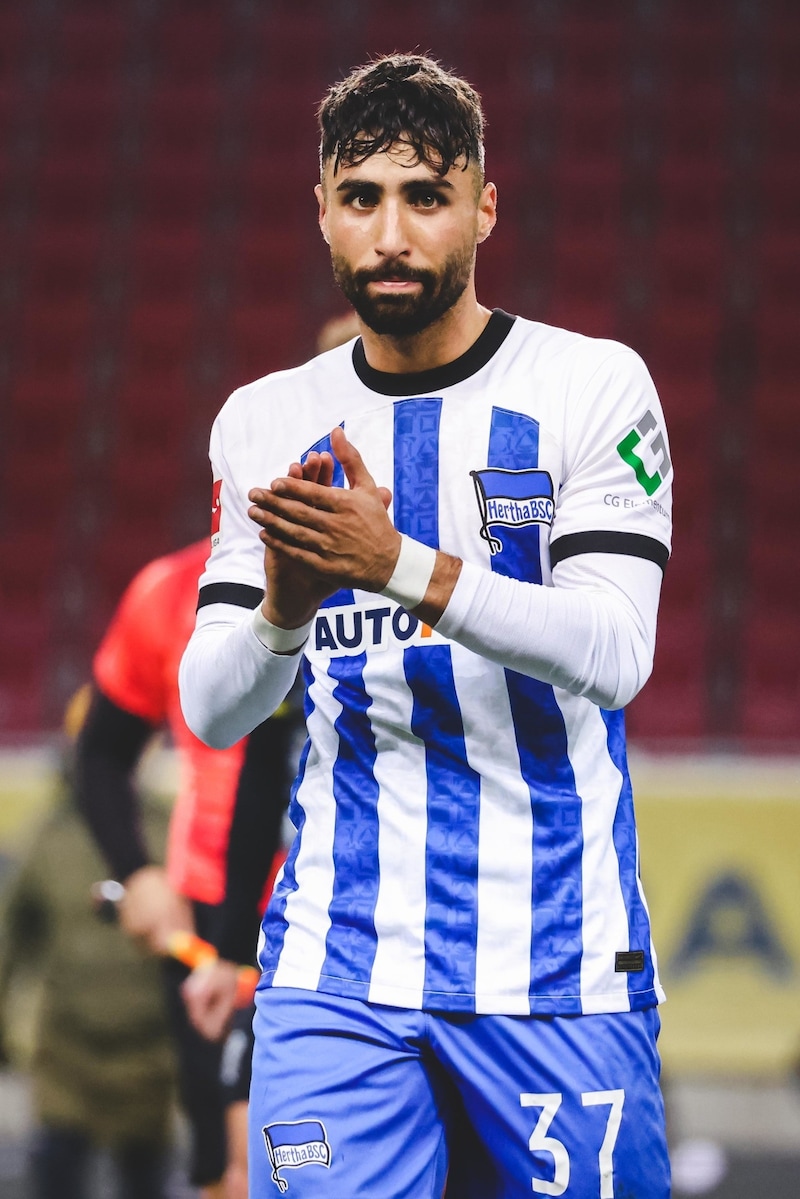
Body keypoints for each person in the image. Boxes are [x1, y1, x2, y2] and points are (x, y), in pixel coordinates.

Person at [179, 53, 673, 1199]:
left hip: (557, 962)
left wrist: (390, 561)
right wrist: (289, 610)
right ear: (322, 214)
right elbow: (212, 707)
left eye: (424, 196)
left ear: (483, 208)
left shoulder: (590, 386)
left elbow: (614, 653)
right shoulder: (265, 418)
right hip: (335, 965)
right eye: (361, 199)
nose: (390, 234)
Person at [74, 540, 293, 1199]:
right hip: (207, 924)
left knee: (291, 1165)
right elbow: (101, 755)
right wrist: (137, 872)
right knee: (224, 1173)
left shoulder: (365, 570)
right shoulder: (166, 591)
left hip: (336, 914)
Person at [0, 686, 175, 1199]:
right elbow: (10, 942)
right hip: (66, 1063)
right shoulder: (44, 838)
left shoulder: (169, 834)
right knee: (56, 1178)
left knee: (145, 1182)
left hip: (150, 1064)